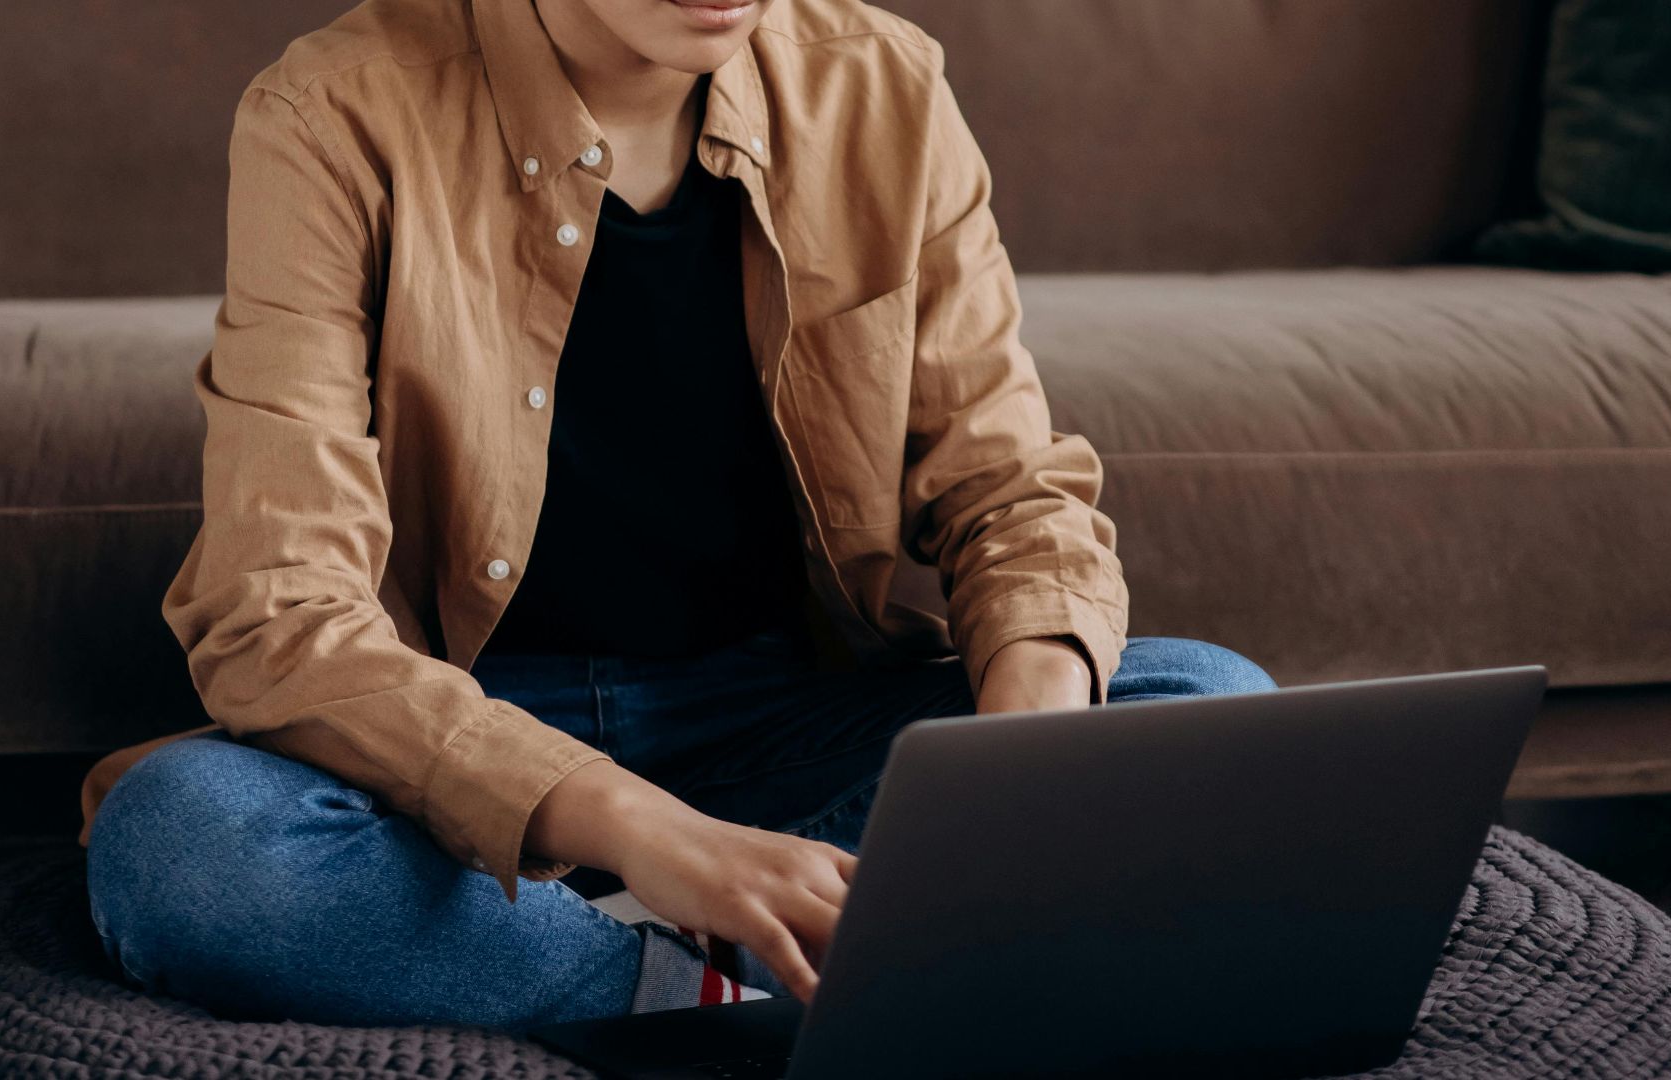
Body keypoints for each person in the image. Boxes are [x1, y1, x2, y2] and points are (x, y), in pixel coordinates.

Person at [80, 0, 1276, 1034]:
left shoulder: (883, 82)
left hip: (783, 718)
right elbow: (276, 611)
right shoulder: (332, 114)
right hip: (460, 745)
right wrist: (654, 837)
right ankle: (728, 989)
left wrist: (1022, 771)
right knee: (187, 848)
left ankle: (663, 946)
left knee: (1211, 711)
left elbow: (1010, 492)